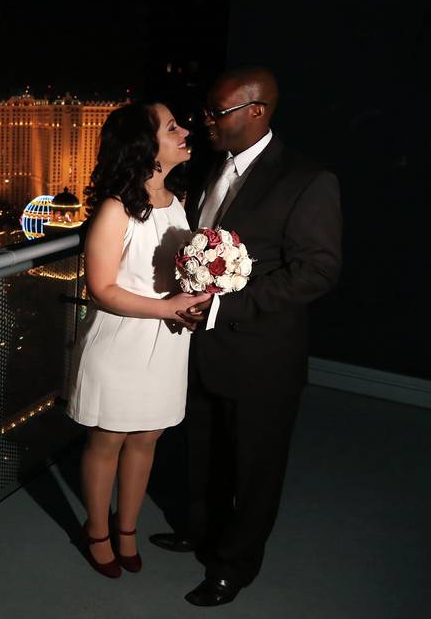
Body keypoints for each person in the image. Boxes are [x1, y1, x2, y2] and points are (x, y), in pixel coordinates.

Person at [152, 67, 342, 606]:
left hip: (263, 356)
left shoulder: (307, 178)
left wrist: (224, 306)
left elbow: (318, 270)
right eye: (207, 111)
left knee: (254, 466)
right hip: (206, 345)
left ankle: (235, 565)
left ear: (256, 111)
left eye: (218, 112)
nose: (205, 121)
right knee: (204, 449)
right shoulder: (216, 167)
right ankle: (200, 530)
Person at [67, 102, 205, 578]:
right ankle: (97, 531)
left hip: (166, 343)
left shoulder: (178, 203)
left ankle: (127, 529)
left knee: (147, 438)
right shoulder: (115, 209)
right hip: (121, 343)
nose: (185, 130)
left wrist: (193, 302)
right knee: (108, 440)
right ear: (146, 147)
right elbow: (102, 288)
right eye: (172, 127)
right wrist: (168, 307)